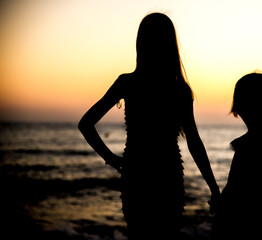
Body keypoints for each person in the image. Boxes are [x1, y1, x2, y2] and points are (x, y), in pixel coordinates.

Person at [78, 12, 220, 240]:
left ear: (140, 43)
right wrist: (214, 188)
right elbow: (194, 142)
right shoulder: (179, 90)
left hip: (137, 174)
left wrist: (112, 159)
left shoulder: (128, 83)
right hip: (168, 174)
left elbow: (86, 124)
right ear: (170, 44)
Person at [212, 72, 262, 239]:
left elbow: (240, 188)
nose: (237, 111)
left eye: (240, 102)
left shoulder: (253, 143)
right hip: (260, 213)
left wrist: (222, 203)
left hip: (241, 219)